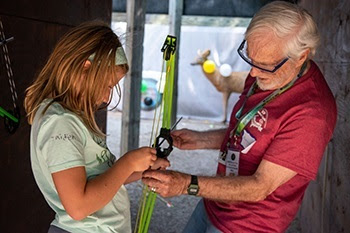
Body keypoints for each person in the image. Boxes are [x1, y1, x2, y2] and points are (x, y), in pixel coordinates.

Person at [142, 1, 337, 233]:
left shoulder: (312, 113)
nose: (253, 72)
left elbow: (259, 186)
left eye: (265, 65)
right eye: (251, 58)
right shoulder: (264, 75)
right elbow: (249, 133)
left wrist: (186, 184)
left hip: (247, 225)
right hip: (214, 204)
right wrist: (200, 139)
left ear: (301, 56)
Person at [24, 21, 169, 233]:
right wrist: (128, 163)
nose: (106, 97)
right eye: (107, 85)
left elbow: (102, 177)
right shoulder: (61, 123)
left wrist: (142, 169)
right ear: (85, 67)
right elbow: (78, 207)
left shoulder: (72, 117)